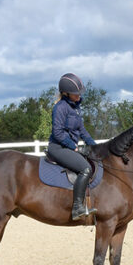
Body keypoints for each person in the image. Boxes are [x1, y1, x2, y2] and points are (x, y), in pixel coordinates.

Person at [47, 72, 98, 220]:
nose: (79, 96)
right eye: (76, 93)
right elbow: (57, 133)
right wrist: (73, 147)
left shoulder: (75, 108)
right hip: (58, 147)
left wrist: (95, 146)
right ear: (66, 93)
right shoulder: (60, 108)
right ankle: (77, 208)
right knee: (85, 168)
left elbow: (82, 130)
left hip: (68, 147)